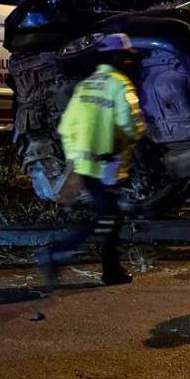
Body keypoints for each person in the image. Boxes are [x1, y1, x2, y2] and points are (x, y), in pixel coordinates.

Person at [42, 33, 146, 287]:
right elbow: (132, 125)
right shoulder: (120, 85)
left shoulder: (86, 84)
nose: (129, 63)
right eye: (126, 58)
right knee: (107, 219)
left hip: (85, 167)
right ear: (118, 58)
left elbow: (67, 127)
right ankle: (60, 254)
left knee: (108, 218)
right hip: (107, 166)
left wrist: (77, 159)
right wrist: (140, 133)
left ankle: (108, 269)